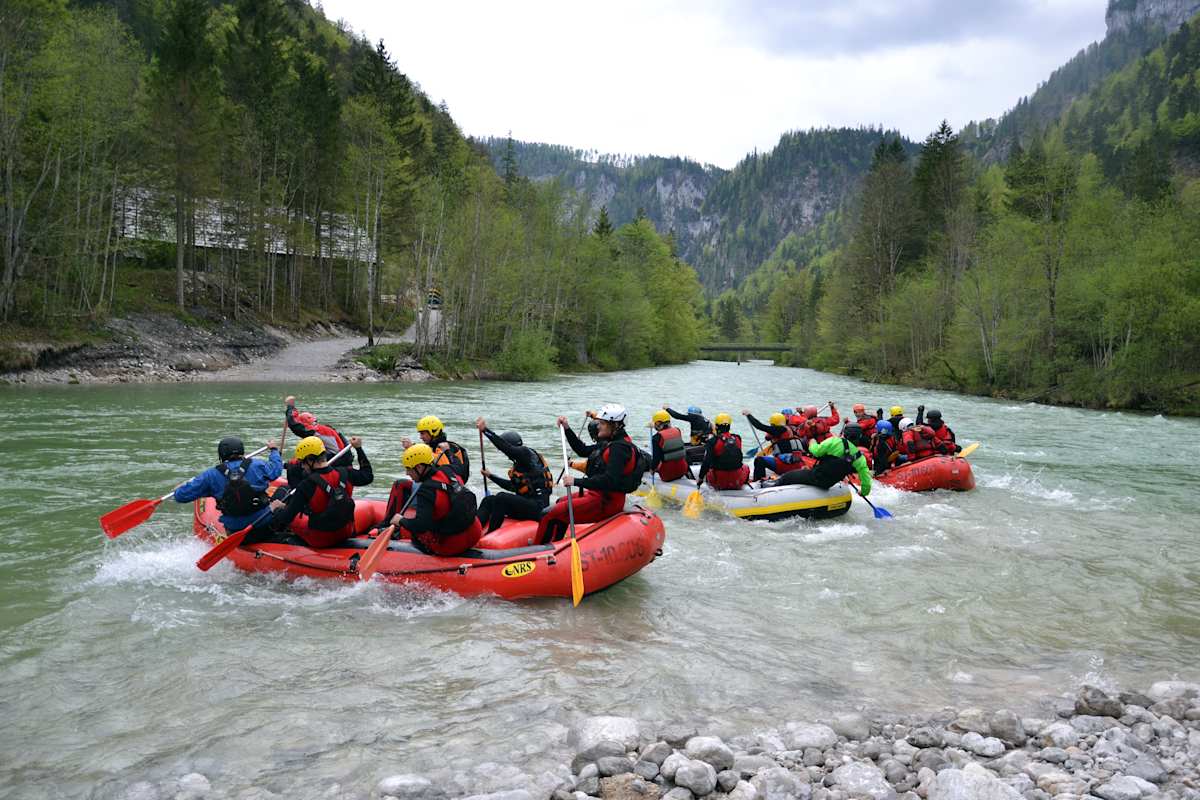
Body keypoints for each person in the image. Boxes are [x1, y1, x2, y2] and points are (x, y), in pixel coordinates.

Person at [537, 404, 643, 544]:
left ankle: (539, 551)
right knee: (559, 502)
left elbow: (609, 480)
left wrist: (576, 481)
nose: (598, 426)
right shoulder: (611, 442)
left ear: (615, 425)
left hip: (606, 502)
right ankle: (556, 543)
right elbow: (582, 450)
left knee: (548, 514)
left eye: (602, 423)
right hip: (598, 496)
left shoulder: (619, 449)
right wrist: (567, 429)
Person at [246, 435, 373, 548]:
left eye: (303, 462)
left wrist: (276, 508)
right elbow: (368, 476)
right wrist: (359, 448)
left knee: (287, 517)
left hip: (321, 539)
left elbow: (286, 518)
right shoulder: (345, 472)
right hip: (346, 532)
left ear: (310, 460)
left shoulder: (306, 485)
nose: (302, 466)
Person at [173, 436, 282, 534]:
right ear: (242, 451)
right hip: (264, 524)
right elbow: (277, 469)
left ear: (221, 454)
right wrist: (274, 450)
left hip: (234, 530)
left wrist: (179, 489)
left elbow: (181, 497)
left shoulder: (210, 475)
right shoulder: (258, 465)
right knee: (283, 491)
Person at [388, 443, 482, 556]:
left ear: (419, 467)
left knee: (415, 534)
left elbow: (420, 526)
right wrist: (448, 451)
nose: (407, 473)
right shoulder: (449, 469)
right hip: (475, 532)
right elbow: (458, 464)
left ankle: (430, 561)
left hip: (452, 545)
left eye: (409, 469)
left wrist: (401, 520)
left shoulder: (426, 490)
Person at [474, 418, 553, 532]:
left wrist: (485, 430)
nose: (507, 456)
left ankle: (491, 533)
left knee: (501, 498)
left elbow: (506, 448)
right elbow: (512, 486)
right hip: (526, 504)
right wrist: (491, 476)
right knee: (489, 500)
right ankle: (474, 530)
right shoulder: (522, 463)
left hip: (538, 508)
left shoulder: (525, 453)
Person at [769, 431, 873, 497]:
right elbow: (866, 481)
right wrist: (863, 492)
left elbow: (816, 452)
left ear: (845, 434)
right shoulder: (860, 458)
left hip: (816, 477)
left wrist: (812, 443)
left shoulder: (836, 441)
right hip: (828, 484)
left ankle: (769, 492)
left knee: (787, 477)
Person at [284, 395, 351, 467]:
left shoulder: (316, 430)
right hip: (341, 458)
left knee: (299, 463)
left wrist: (290, 407)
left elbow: (295, 426)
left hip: (336, 459)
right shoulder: (325, 429)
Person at [743, 410, 807, 481]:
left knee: (759, 460)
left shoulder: (779, 429)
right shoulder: (789, 429)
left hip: (785, 465)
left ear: (773, 424)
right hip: (798, 463)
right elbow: (768, 438)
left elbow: (760, 426)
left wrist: (749, 415)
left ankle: (758, 481)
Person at [402, 415, 469, 483]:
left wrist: (412, 448)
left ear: (433, 431)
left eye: (422, 433)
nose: (420, 437)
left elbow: (434, 462)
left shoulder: (447, 448)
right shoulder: (435, 447)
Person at [696, 413, 750, 490]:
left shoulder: (712, 441)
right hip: (736, 480)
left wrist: (700, 478)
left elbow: (706, 463)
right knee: (746, 467)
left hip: (719, 481)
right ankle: (749, 486)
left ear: (717, 427)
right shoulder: (738, 438)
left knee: (708, 471)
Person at [650, 410, 690, 482]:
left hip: (667, 474)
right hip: (682, 470)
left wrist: (652, 469)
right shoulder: (678, 430)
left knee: (651, 462)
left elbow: (656, 459)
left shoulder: (656, 437)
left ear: (658, 423)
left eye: (655, 423)